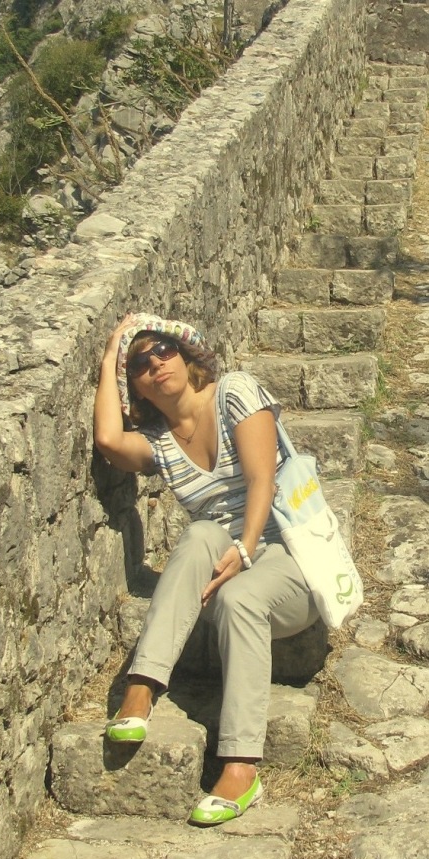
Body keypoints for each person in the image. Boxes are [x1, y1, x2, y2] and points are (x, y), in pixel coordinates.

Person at [93, 311, 319, 826]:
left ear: (185, 355)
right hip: (222, 557)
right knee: (197, 534)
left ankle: (241, 765)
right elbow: (108, 441)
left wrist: (245, 550)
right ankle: (142, 685)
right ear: (136, 388)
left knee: (240, 598)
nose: (156, 364)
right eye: (140, 364)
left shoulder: (234, 391)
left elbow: (262, 481)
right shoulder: (159, 442)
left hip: (288, 552)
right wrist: (109, 358)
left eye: (163, 351)